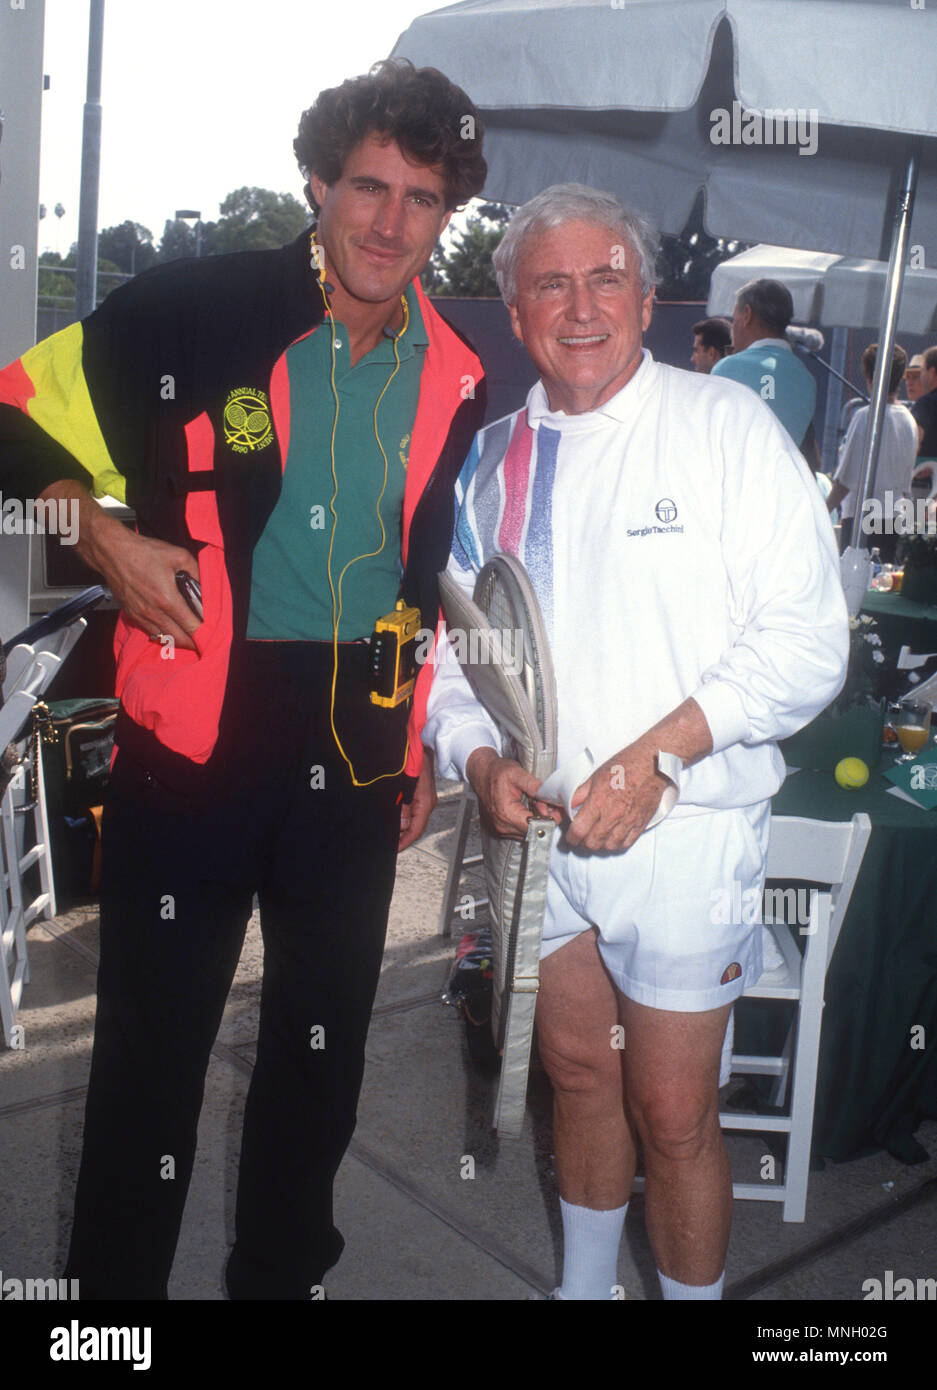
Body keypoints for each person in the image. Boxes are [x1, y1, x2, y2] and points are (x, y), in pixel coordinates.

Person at [0, 58, 487, 1299]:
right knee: (148, 1077)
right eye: (367, 186)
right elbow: (8, 415)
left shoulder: (456, 373)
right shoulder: (193, 310)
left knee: (317, 1069)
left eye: (421, 196)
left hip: (357, 758)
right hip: (194, 754)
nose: (389, 220)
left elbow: (415, 573)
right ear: (316, 185)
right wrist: (97, 531)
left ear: (448, 215)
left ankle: (281, 1283)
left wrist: (416, 740)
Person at [423, 184, 847, 1302]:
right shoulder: (491, 460)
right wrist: (476, 762)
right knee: (573, 1075)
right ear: (512, 313)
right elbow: (451, 661)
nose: (579, 306)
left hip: (687, 833)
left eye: (603, 277)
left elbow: (808, 644)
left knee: (672, 1110)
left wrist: (659, 756)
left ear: (648, 297)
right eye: (549, 284)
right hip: (544, 836)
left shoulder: (724, 427)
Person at [827, 342, 918, 559]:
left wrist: (821, 511)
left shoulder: (864, 417)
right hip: (895, 517)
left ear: (871, 376)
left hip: (861, 519)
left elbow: (844, 482)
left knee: (855, 585)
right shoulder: (909, 420)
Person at [711, 277, 817, 449]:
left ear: (747, 314)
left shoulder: (729, 367)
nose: (732, 326)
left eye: (734, 317)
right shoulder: (807, 380)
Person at [910, 346, 937, 457]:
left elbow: (913, 444)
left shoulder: (926, 404)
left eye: (922, 370)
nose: (921, 376)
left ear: (931, 372)